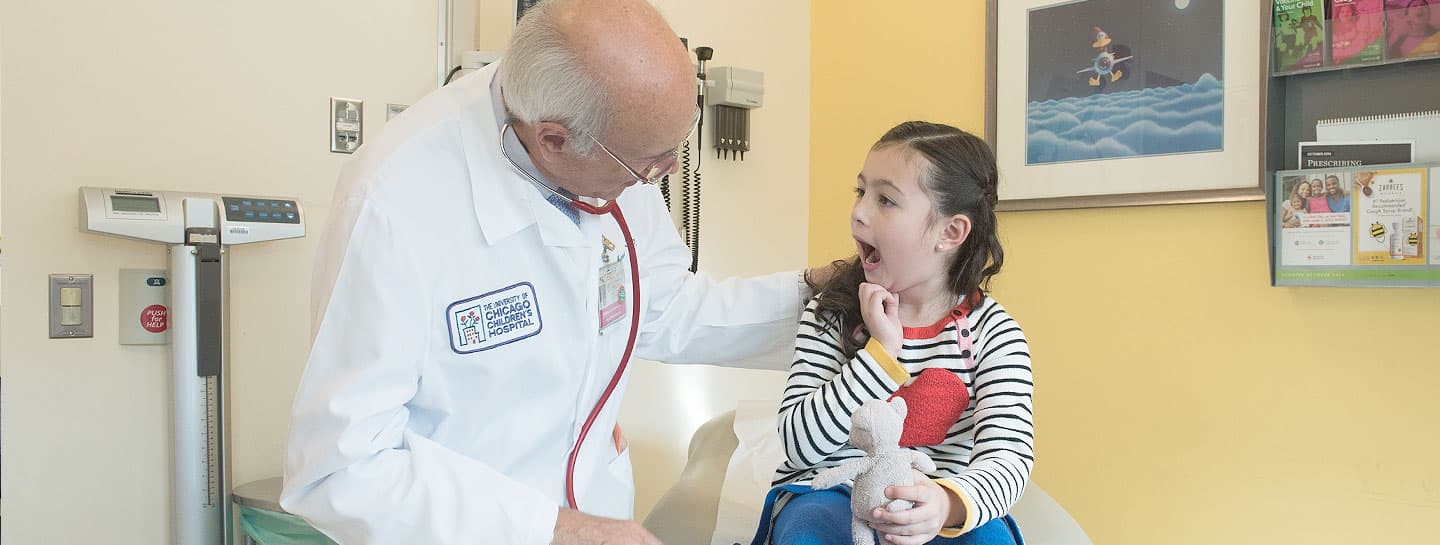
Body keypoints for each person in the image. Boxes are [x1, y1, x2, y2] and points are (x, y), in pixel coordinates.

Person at [280, 1, 820, 544]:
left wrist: (829, 298)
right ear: (554, 140)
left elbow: (662, 305)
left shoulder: (612, 138)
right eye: (649, 162)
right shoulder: (393, 204)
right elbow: (341, 468)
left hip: (600, 510)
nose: (666, 172)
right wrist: (554, 530)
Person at [747, 122, 1032, 545]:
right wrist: (880, 356)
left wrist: (947, 503)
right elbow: (799, 445)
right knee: (807, 531)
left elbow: (1008, 456)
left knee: (991, 539)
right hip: (829, 491)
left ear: (950, 233)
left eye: (885, 199)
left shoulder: (994, 333)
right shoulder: (830, 315)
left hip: (934, 499)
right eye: (860, 192)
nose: (859, 212)